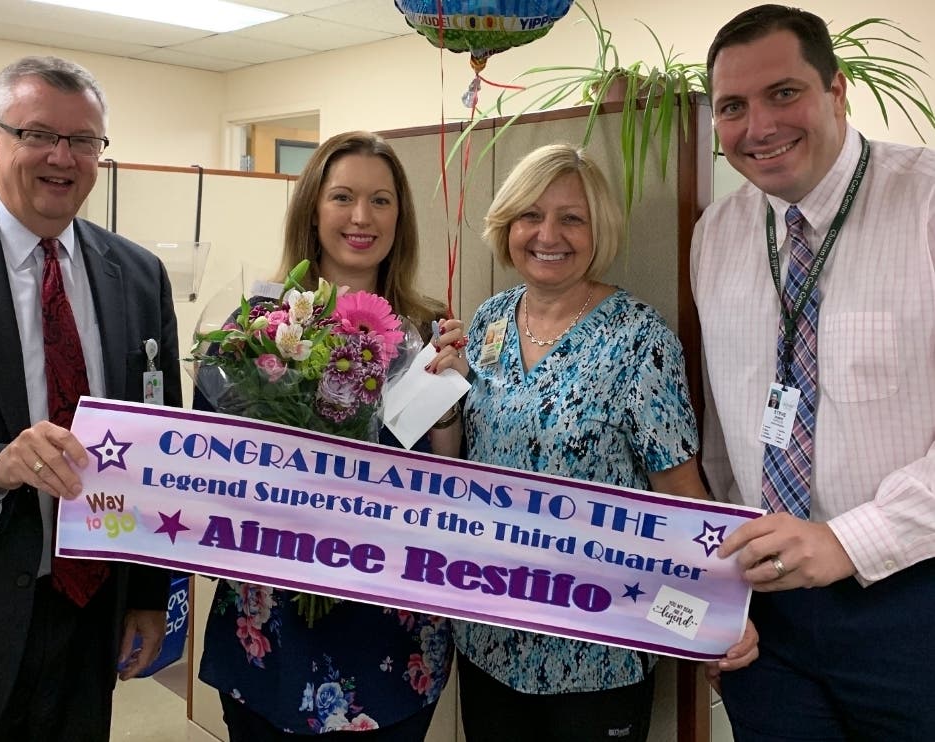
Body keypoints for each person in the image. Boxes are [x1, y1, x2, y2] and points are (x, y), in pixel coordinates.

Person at [429, 143, 757, 741]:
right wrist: (443, 403)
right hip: (490, 634)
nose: (547, 233)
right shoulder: (488, 322)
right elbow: (464, 467)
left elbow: (680, 491)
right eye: (530, 214)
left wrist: (718, 606)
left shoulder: (639, 337)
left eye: (571, 217)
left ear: (597, 230)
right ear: (507, 225)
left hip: (597, 647)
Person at [692, 5, 935, 740]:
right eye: (732, 106)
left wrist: (848, 540)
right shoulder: (718, 234)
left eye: (783, 93)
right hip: (767, 617)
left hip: (911, 597)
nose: (757, 126)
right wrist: (715, 587)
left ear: (836, 92)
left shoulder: (924, 201)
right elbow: (721, 434)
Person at [0, 56, 181, 741]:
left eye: (83, 141)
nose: (61, 157)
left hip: (91, 612)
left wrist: (146, 598)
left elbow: (156, 444)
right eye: (37, 134)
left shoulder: (137, 275)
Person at [196, 131, 456, 740]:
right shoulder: (257, 327)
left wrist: (447, 398)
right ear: (313, 208)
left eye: (381, 201)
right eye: (343, 197)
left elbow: (453, 484)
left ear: (401, 215)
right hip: (274, 631)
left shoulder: (429, 331)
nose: (361, 218)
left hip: (389, 637)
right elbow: (208, 465)